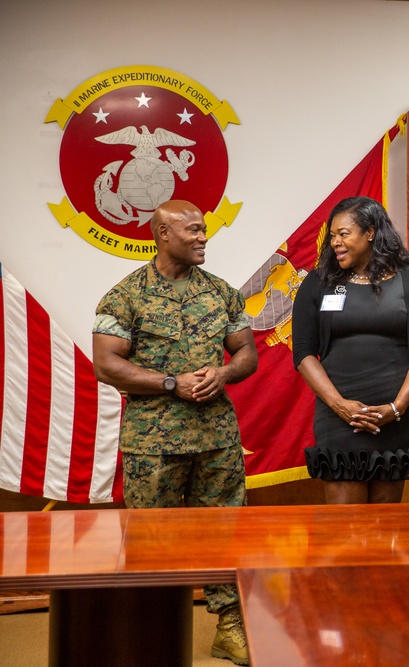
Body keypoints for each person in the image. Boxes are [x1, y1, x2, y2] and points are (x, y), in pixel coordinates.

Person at [92, 200, 258, 665]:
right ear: (162, 234)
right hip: (153, 443)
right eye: (193, 230)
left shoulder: (221, 293)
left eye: (204, 229)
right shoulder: (124, 296)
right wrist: (172, 383)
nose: (203, 236)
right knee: (152, 541)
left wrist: (223, 375)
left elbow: (246, 354)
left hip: (217, 440)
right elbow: (106, 364)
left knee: (226, 533)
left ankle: (230, 627)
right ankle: (151, 634)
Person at [291, 196, 409, 505]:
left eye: (343, 234)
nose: (335, 242)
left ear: (370, 232)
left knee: (388, 530)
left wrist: (396, 408)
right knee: (346, 530)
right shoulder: (319, 283)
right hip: (339, 418)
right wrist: (340, 405)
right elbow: (304, 354)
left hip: (396, 419)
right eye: (332, 235)